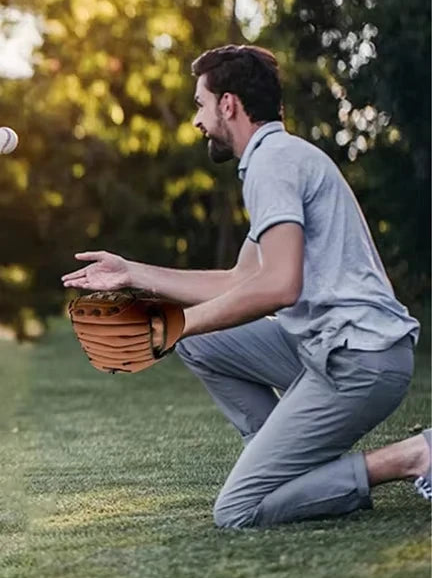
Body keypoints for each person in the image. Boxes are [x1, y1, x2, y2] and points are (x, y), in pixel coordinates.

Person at [62, 44, 428, 527]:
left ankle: (414, 456)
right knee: (202, 344)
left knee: (238, 510)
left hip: (359, 360)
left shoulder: (271, 164)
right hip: (332, 348)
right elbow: (241, 280)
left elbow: (279, 287)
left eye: (200, 104)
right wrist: (134, 273)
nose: (198, 120)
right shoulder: (279, 155)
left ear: (228, 104)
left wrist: (175, 325)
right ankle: (283, 464)